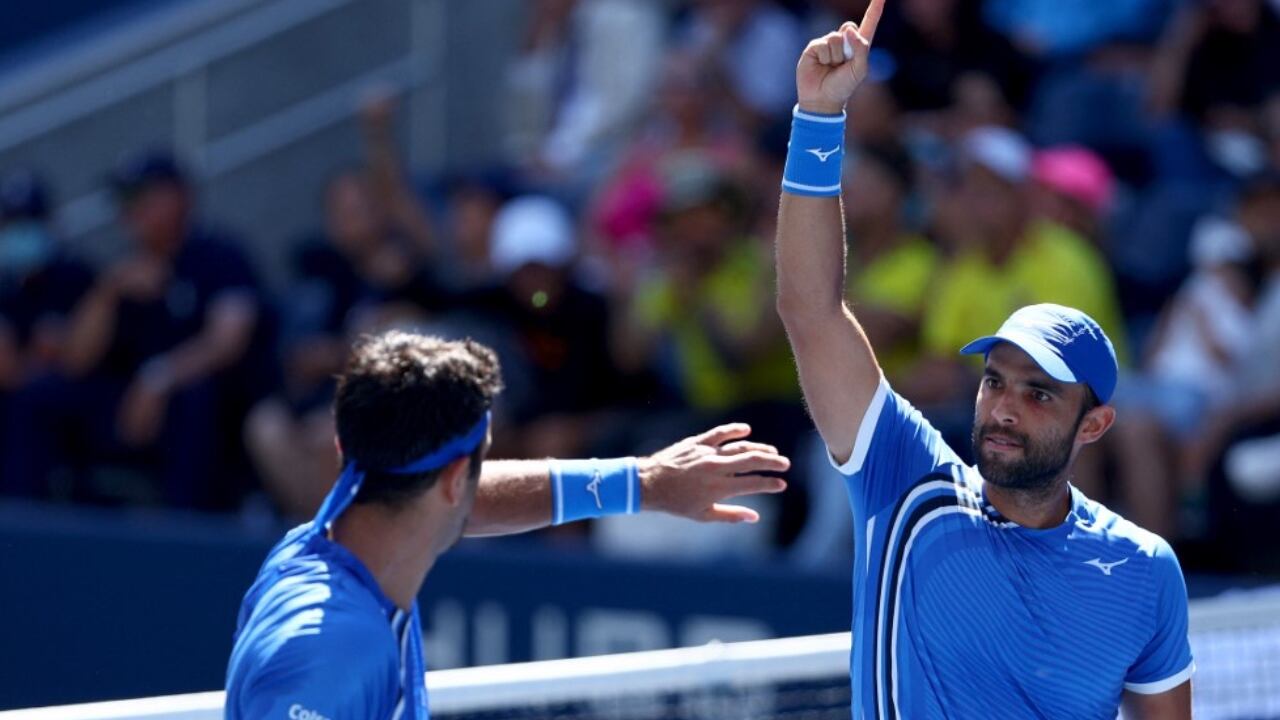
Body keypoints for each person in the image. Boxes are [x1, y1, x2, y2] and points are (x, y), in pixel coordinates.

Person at [774, 4, 1193, 718]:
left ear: (1094, 426)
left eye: (1040, 394)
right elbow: (812, 314)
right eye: (996, 380)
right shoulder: (905, 485)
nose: (1003, 406)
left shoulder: (1145, 569)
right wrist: (818, 119)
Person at [226, 330, 789, 719]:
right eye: (482, 461)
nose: (482, 478)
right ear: (453, 481)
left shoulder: (321, 543)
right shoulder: (334, 651)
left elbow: (457, 500)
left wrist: (643, 482)